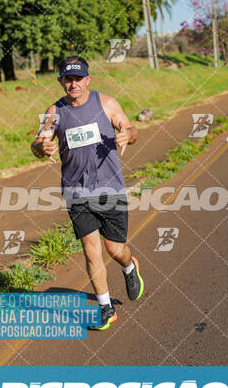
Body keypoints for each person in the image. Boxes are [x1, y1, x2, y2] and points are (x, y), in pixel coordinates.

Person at [31, 55, 144, 330]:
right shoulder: (54, 112)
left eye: (78, 78)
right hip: (76, 192)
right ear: (60, 81)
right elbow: (39, 140)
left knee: (114, 249)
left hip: (110, 188)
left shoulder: (106, 102)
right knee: (91, 251)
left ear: (88, 80)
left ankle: (130, 266)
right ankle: (106, 308)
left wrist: (128, 135)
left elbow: (131, 127)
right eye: (68, 79)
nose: (73, 84)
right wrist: (40, 148)